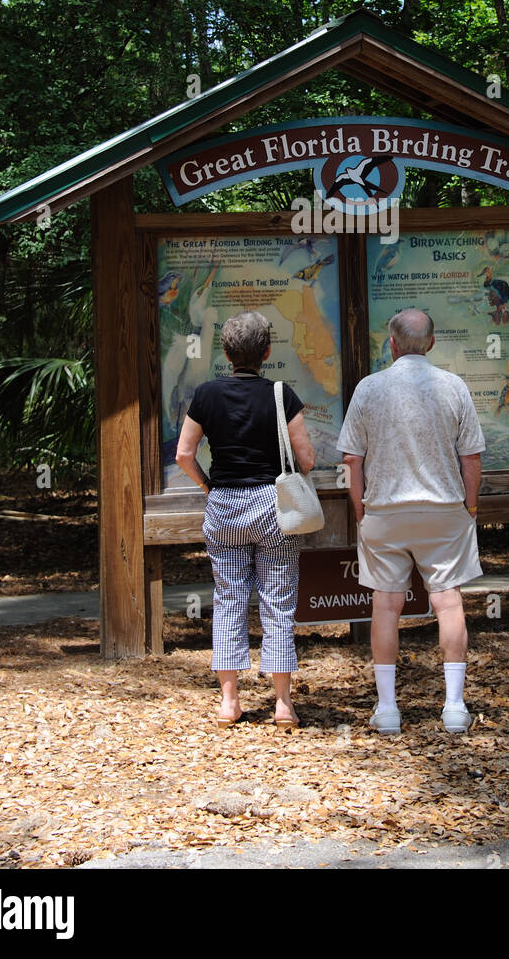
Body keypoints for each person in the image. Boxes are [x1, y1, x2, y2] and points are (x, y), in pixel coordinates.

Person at [337, 309, 484, 735]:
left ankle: (387, 709)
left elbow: (351, 458)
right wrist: (469, 507)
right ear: (432, 343)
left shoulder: (369, 388)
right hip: (443, 510)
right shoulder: (454, 387)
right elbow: (470, 458)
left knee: (386, 604)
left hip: (384, 510)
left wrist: (361, 508)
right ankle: (454, 707)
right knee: (448, 602)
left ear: (393, 344)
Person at [175, 310, 315, 730]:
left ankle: (229, 701)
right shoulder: (280, 395)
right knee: (277, 601)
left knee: (229, 600)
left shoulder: (205, 395)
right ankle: (283, 704)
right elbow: (305, 458)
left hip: (225, 507)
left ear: (225, 352)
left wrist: (208, 485)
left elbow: (184, 455)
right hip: (274, 507)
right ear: (267, 352)